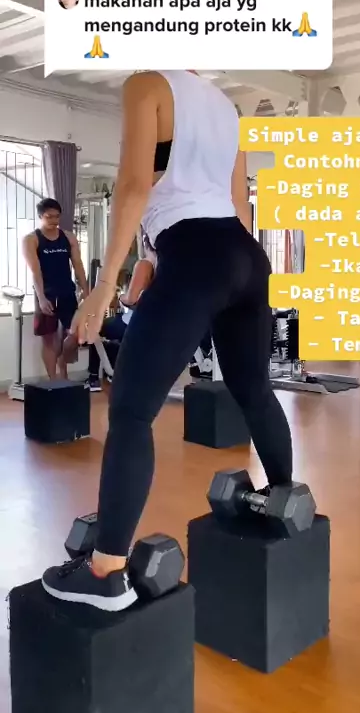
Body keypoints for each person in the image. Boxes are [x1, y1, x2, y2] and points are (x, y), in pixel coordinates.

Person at [42, 70, 293, 612]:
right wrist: (225, 274)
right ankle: (284, 499)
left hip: (195, 251)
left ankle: (105, 573)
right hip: (245, 255)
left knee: (132, 412)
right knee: (254, 389)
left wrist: (103, 287)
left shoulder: (147, 85)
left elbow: (134, 187)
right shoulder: (227, 108)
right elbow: (239, 205)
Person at [23, 198, 89, 380]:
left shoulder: (68, 237)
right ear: (40, 217)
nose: (54, 220)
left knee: (73, 335)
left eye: (57, 216)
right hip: (47, 294)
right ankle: (54, 381)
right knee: (50, 340)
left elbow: (78, 265)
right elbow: (35, 271)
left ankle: (64, 375)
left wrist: (86, 290)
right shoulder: (31, 239)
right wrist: (41, 298)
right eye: (49, 217)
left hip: (67, 292)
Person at [87, 238, 158, 391]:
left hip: (135, 324)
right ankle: (115, 369)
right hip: (159, 327)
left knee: (97, 327)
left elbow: (131, 300)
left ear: (146, 244)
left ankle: (93, 378)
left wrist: (120, 297)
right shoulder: (171, 266)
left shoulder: (145, 264)